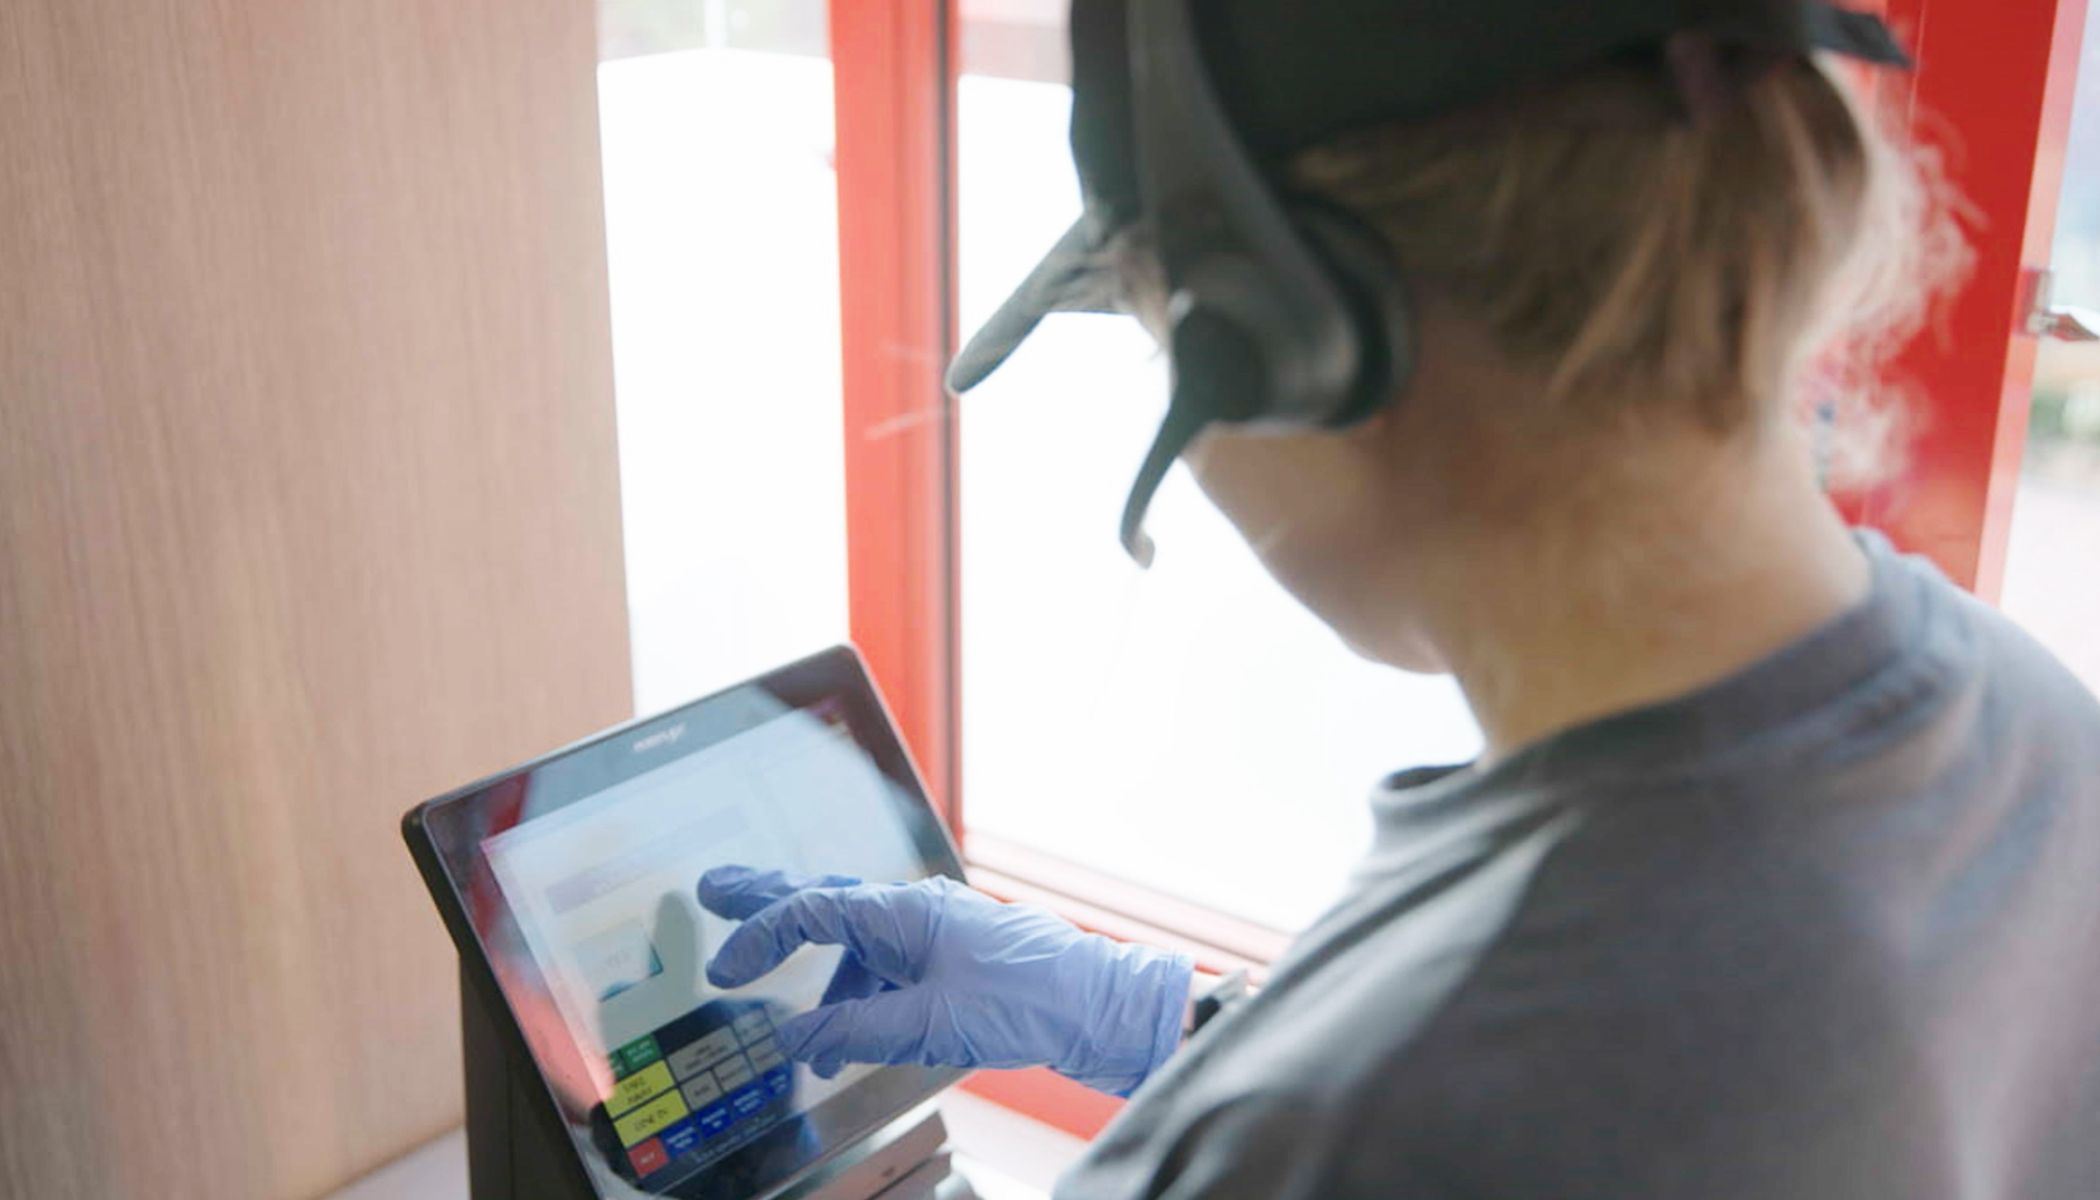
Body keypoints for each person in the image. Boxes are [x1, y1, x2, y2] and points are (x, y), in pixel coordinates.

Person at [698, 2, 2100, 1196]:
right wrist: (1158, 1023)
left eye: (1157, 343)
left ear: (1288, 343)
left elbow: (1448, 1113)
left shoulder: (1349, 1129)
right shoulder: (2033, 734)